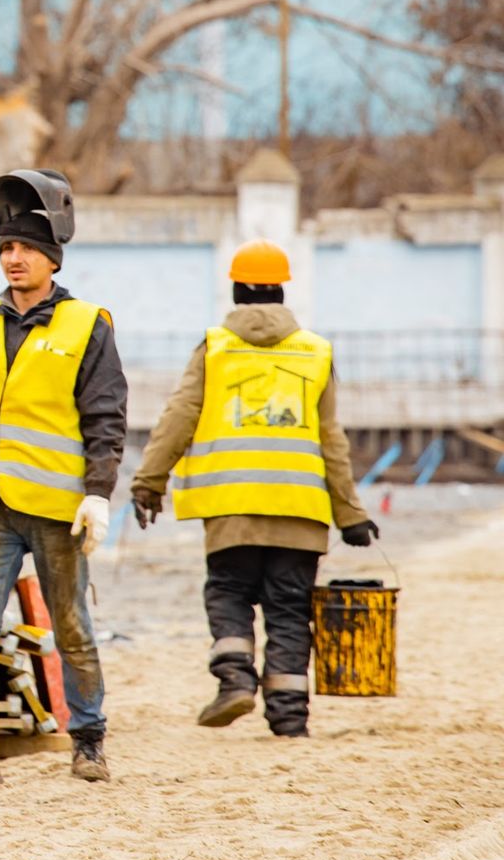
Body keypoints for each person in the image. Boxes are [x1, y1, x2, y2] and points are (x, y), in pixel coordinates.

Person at [0, 169, 127, 793]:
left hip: (58, 506)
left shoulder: (87, 325)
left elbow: (106, 417)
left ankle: (88, 742)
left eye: (26, 249)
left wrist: (98, 493)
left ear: (51, 257)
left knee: (70, 624)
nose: (14, 259)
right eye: (6, 249)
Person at [130, 239, 375, 738]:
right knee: (289, 608)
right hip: (300, 511)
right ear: (282, 292)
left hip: (231, 507)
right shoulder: (316, 352)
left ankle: (235, 680)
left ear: (237, 290)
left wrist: (148, 481)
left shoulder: (215, 348)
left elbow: (179, 416)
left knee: (229, 593)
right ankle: (288, 716)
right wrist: (351, 514)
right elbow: (333, 440)